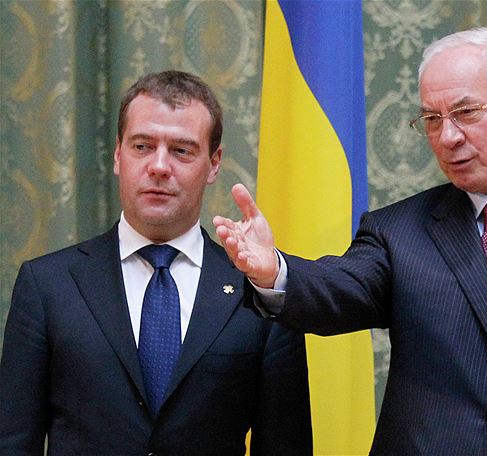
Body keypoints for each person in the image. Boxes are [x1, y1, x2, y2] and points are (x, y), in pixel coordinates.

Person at [213, 27, 487, 455]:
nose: (447, 137)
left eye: (466, 112)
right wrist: (274, 271)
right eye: (432, 119)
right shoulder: (399, 231)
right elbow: (340, 286)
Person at [0, 70, 312, 455]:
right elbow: (13, 442)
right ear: (118, 154)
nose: (160, 166)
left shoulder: (261, 292)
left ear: (214, 163)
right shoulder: (47, 285)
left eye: (181, 150)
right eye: (142, 146)